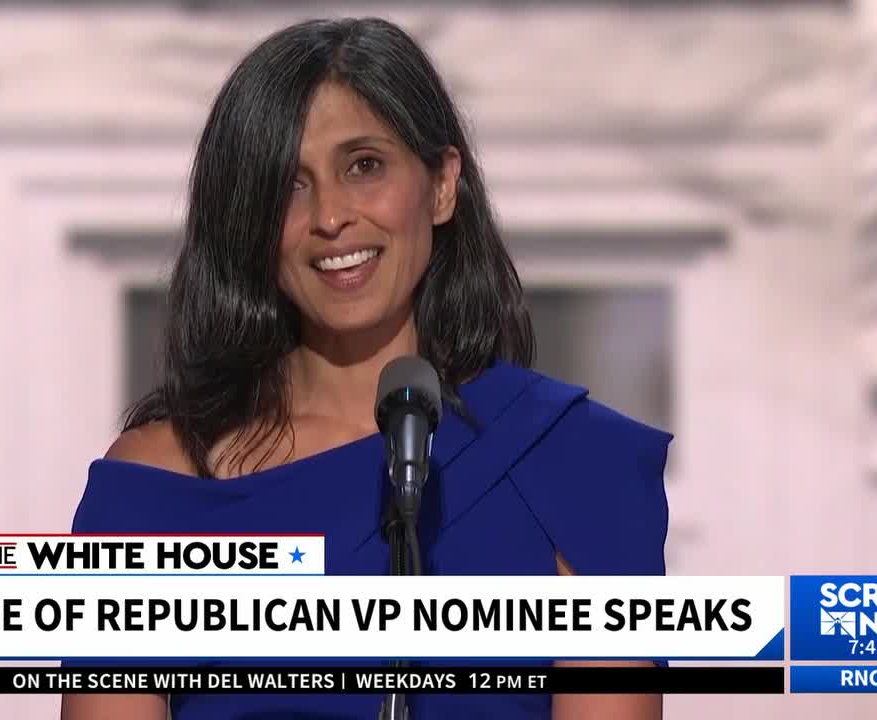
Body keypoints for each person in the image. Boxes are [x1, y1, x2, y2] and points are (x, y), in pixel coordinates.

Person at [62, 16, 670, 720]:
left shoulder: (571, 460)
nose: (330, 217)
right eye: (289, 185)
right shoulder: (157, 487)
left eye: (364, 167)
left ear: (442, 184)